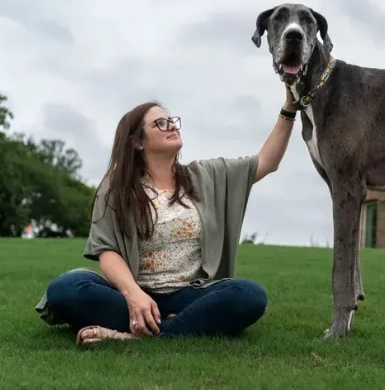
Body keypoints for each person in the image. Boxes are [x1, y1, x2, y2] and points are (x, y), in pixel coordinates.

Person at [34, 86, 299, 345]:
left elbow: (266, 162)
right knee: (65, 289)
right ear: (138, 141)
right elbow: (107, 251)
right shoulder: (116, 187)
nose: (172, 126)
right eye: (160, 123)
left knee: (249, 295)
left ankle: (137, 336)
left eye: (172, 121)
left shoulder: (205, 175)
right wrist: (134, 295)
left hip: (190, 295)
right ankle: (174, 326)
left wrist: (289, 109)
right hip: (132, 295)